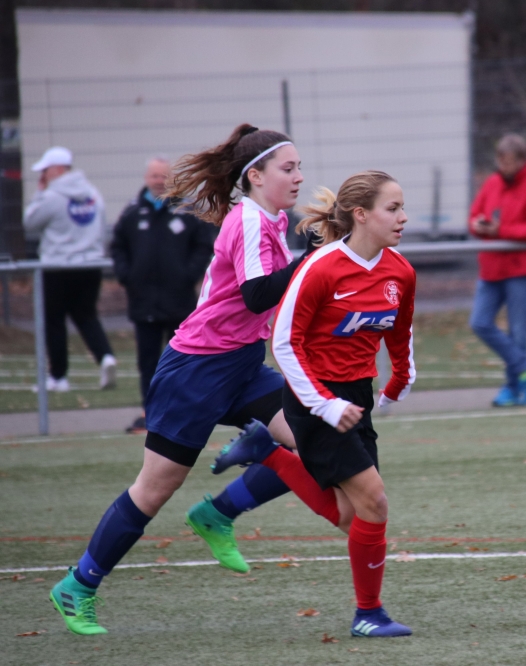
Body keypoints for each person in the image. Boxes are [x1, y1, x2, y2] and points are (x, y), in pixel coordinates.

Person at [48, 124, 333, 635]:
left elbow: (277, 293)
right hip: (196, 371)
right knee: (155, 489)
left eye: (299, 168)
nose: (299, 177)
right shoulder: (249, 220)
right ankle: (78, 584)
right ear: (256, 175)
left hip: (242, 365)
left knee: (319, 439)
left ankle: (219, 512)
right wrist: (314, 257)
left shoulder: (273, 219)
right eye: (288, 168)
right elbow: (256, 295)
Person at [211, 171, 416, 638]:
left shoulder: (400, 270)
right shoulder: (321, 267)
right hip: (313, 397)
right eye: (393, 208)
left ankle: (267, 452)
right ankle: (368, 615)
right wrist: (323, 404)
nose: (403, 217)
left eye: (403, 208)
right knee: (375, 502)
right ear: (361, 214)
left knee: (351, 515)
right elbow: (284, 343)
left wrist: (401, 378)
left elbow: (400, 331)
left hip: (356, 397)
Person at [111, 156, 215, 433]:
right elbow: (118, 246)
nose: (159, 181)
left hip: (179, 302)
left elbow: (203, 245)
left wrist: (188, 275)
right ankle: (151, 413)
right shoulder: (132, 212)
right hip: (143, 302)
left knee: (182, 360)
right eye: (154, 176)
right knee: (147, 362)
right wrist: (127, 275)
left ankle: (181, 411)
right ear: (147, 178)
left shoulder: (187, 211)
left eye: (163, 176)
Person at [467, 134, 526, 407]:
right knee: (479, 322)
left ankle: (514, 388)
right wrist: (478, 225)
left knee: (518, 332)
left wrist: (501, 230)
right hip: (491, 267)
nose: (503, 167)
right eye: (500, 161)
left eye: (508, 162)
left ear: (522, 161)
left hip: (520, 268)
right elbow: (474, 216)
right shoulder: (492, 183)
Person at [23, 146, 117, 392]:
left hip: (57, 267)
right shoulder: (93, 193)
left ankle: (59, 376)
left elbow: (29, 222)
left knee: (54, 320)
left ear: (56, 169)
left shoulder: (51, 196)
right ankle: (106, 356)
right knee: (86, 315)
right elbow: (101, 227)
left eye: (45, 170)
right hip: (90, 265)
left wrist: (39, 193)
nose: (42, 175)